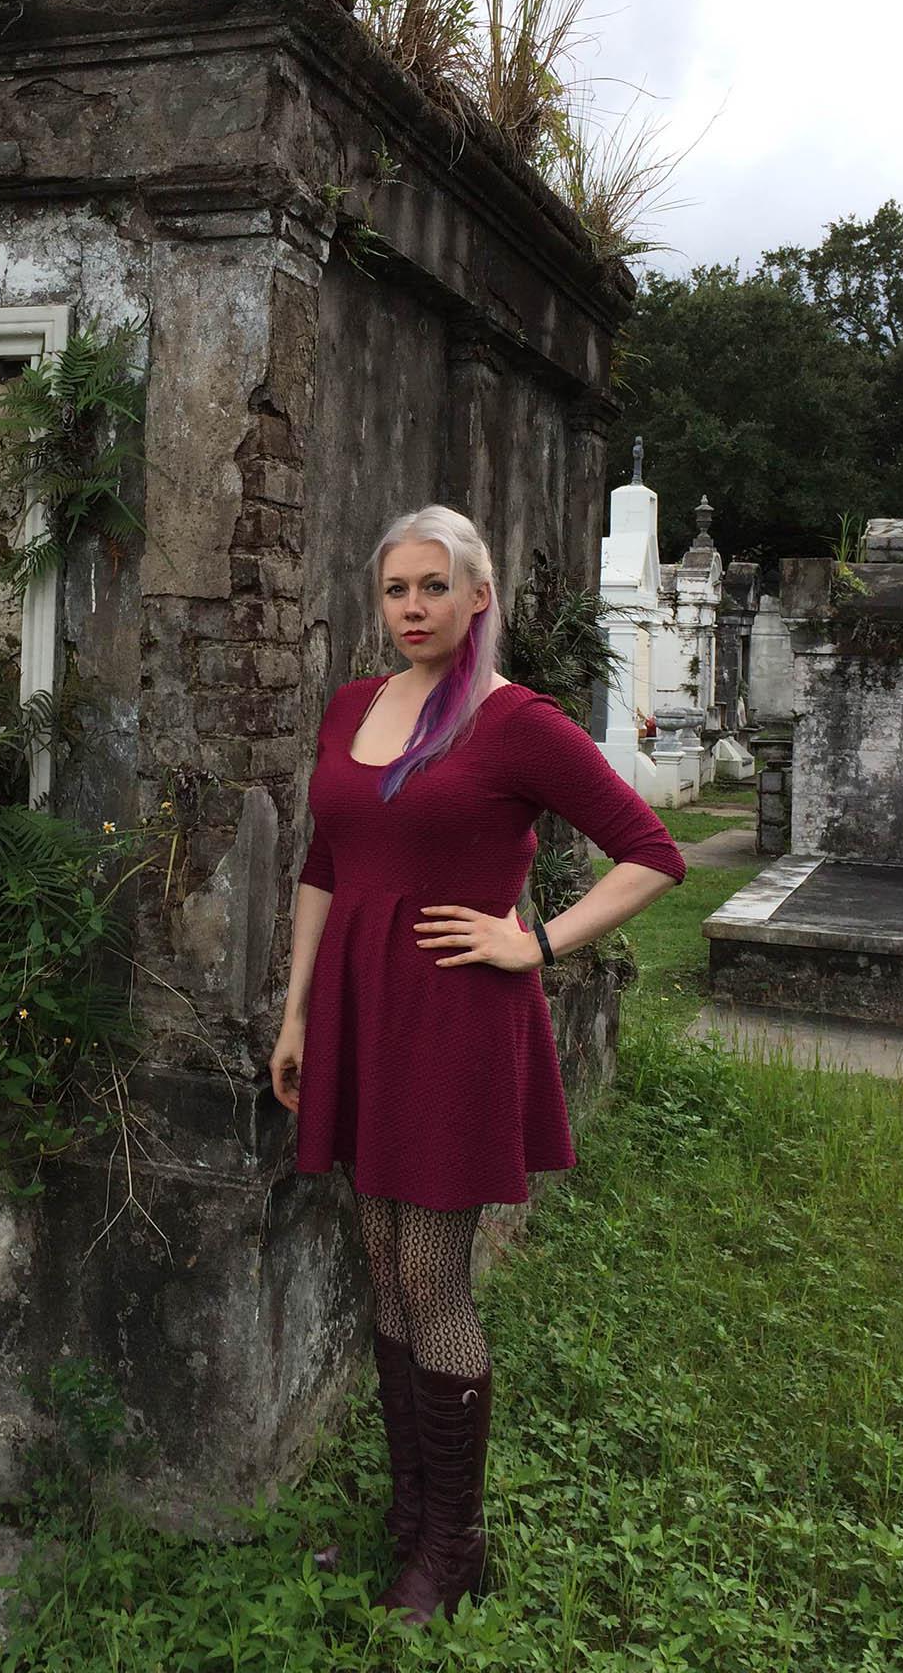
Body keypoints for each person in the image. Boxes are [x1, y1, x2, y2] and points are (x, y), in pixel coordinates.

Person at [268, 504, 686, 1628]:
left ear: (477, 596)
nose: (412, 607)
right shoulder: (353, 706)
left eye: (433, 587)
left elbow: (653, 853)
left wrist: (533, 938)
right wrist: (298, 1009)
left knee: (434, 1275)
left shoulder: (514, 722)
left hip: (454, 1018)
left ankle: (456, 1545)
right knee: (382, 1260)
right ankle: (412, 1521)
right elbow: (324, 862)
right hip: (359, 1013)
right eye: (396, 588)